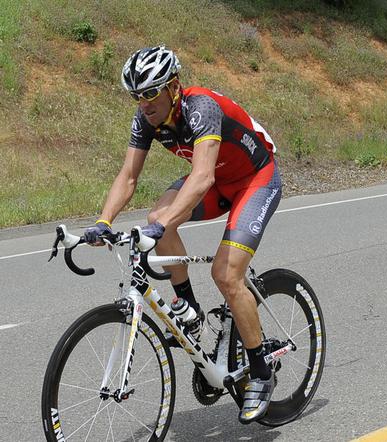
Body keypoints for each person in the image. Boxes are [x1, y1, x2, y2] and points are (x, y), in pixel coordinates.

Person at [83, 45, 279, 424]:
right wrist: (104, 221)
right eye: (136, 96)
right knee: (158, 215)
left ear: (173, 86)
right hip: (218, 183)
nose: (143, 103)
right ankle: (188, 306)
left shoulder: (200, 107)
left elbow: (202, 176)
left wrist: (162, 225)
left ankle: (261, 371)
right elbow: (128, 176)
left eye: (151, 93)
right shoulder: (145, 120)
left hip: (255, 179)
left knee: (225, 274)